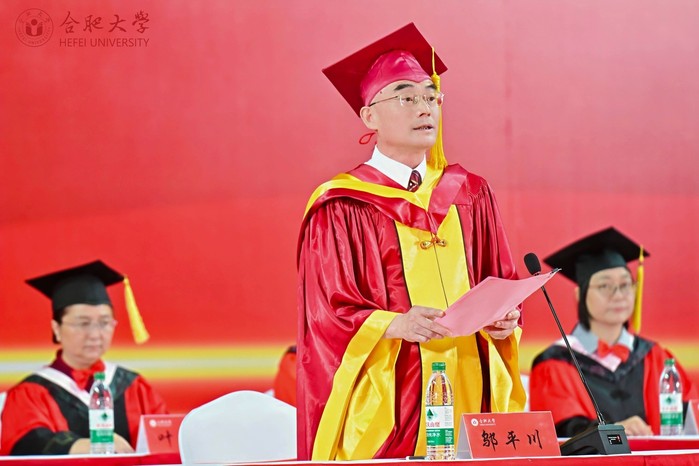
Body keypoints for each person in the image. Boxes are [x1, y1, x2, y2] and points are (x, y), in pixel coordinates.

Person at [297, 23, 525, 461]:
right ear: (369, 117)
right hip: (390, 403)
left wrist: (505, 319)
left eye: (431, 97)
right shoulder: (342, 204)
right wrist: (394, 324)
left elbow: (500, 281)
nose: (424, 108)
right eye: (406, 97)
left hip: (471, 396)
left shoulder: (470, 193)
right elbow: (327, 311)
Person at [529, 227, 697, 437]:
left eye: (625, 285)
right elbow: (562, 431)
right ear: (580, 295)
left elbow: (690, 422)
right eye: (605, 286)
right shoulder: (554, 363)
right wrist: (614, 431)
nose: (618, 295)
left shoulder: (655, 357)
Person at [0, 260, 168, 455]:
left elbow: (163, 441)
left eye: (104, 322)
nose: (95, 334)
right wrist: (87, 446)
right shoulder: (30, 393)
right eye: (83, 323)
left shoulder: (135, 387)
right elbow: (26, 442)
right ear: (57, 328)